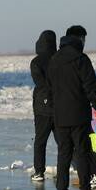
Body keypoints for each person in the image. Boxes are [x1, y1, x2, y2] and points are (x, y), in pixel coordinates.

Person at [47, 25, 96, 190]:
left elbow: (50, 89)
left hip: (60, 118)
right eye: (84, 39)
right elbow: (91, 88)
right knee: (82, 155)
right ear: (79, 38)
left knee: (63, 157)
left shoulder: (54, 60)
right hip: (79, 116)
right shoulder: (81, 59)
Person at [30, 30, 58, 181]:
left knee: (40, 141)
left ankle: (39, 172)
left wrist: (47, 98)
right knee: (63, 142)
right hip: (60, 106)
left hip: (42, 108)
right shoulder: (59, 59)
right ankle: (65, 168)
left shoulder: (36, 62)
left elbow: (39, 83)